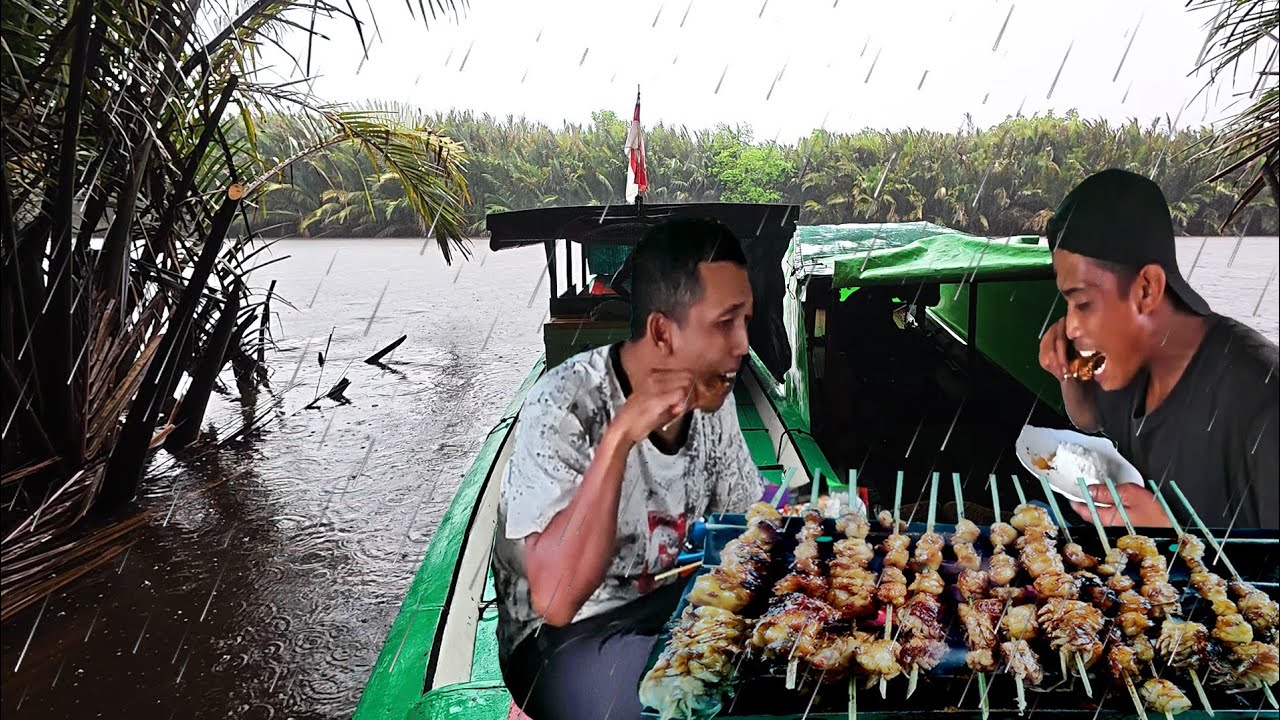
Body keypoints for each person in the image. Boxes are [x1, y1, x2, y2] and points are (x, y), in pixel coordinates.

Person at [491, 217, 767, 719]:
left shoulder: (711, 399)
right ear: (662, 331)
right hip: (557, 635)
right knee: (679, 704)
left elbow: (744, 517)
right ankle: (532, 705)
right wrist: (618, 439)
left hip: (664, 597)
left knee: (771, 656)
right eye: (725, 323)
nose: (743, 344)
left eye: (745, 321)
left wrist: (815, 516)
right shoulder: (565, 404)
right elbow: (555, 598)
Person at [1037, 168, 1279, 530]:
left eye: (1083, 303)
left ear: (1147, 289)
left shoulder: (1263, 401)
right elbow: (1089, 418)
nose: (1070, 325)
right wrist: (1067, 371)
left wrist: (1173, 539)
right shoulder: (1126, 359)